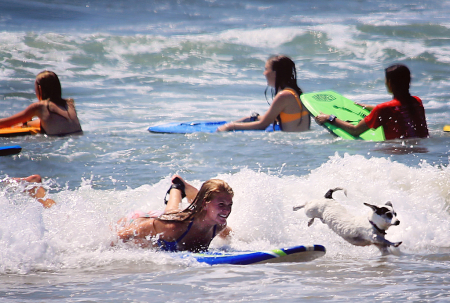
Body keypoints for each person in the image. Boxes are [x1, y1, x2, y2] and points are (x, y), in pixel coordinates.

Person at [115, 175, 234, 252]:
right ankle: (178, 187)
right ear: (204, 203)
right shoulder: (173, 226)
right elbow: (124, 234)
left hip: (179, 217)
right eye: (221, 205)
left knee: (173, 212)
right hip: (136, 219)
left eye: (230, 205)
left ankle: (178, 187)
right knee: (172, 214)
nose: (226, 211)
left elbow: (231, 236)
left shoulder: (219, 225)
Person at [315, 64, 429, 140]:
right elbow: (398, 111)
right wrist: (373, 109)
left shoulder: (383, 109)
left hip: (399, 153)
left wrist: (330, 118)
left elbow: (355, 131)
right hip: (422, 150)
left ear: (390, 83)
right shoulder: (417, 101)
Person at [217, 55, 310, 132]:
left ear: (275, 73)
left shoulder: (284, 95)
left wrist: (230, 126)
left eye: (266, 69)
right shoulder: (295, 92)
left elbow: (262, 125)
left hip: (290, 145)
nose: (264, 73)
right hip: (297, 146)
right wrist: (253, 118)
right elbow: (272, 118)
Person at [0, 71, 82, 136]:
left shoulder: (40, 106)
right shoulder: (70, 103)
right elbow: (51, 122)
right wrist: (26, 123)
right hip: (77, 141)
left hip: (54, 142)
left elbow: (6, 123)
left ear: (39, 88)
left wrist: (23, 123)